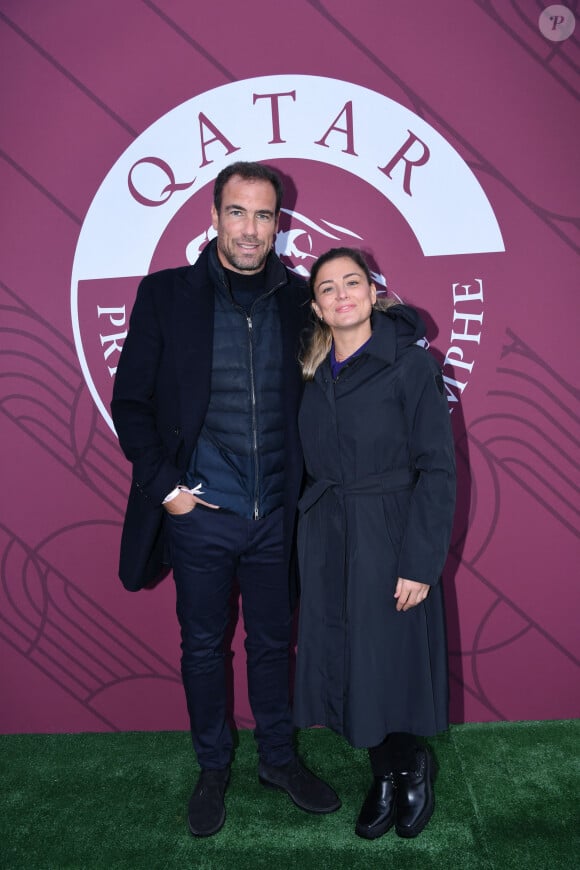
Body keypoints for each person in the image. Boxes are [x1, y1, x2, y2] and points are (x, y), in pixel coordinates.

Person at [111, 161, 340, 837]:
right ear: (212, 218)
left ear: (279, 223)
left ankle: (277, 758)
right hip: (200, 516)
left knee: (274, 644)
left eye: (263, 215)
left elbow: (368, 333)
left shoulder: (303, 299)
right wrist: (168, 492)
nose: (249, 228)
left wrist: (395, 316)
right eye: (236, 212)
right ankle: (213, 767)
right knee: (204, 648)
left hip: (275, 515)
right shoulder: (165, 296)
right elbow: (132, 404)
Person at [293, 247, 456, 840]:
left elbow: (437, 469)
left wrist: (420, 560)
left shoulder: (411, 366)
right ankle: (382, 773)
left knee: (391, 657)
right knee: (354, 658)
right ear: (316, 306)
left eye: (352, 283)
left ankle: (410, 766)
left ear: (373, 292)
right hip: (329, 534)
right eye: (328, 288)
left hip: (389, 530)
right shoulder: (311, 375)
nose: (342, 295)